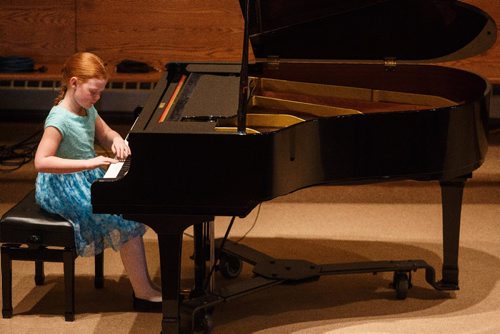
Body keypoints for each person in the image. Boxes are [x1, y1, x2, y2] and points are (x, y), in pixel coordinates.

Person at [34, 52, 161, 311]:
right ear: (73, 82)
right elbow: (42, 161)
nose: (97, 98)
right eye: (93, 91)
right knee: (123, 217)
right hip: (60, 185)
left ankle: (144, 286)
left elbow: (105, 134)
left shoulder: (87, 108)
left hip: (83, 176)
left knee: (130, 203)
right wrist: (91, 162)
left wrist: (115, 139)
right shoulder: (58, 119)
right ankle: (143, 293)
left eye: (100, 92)